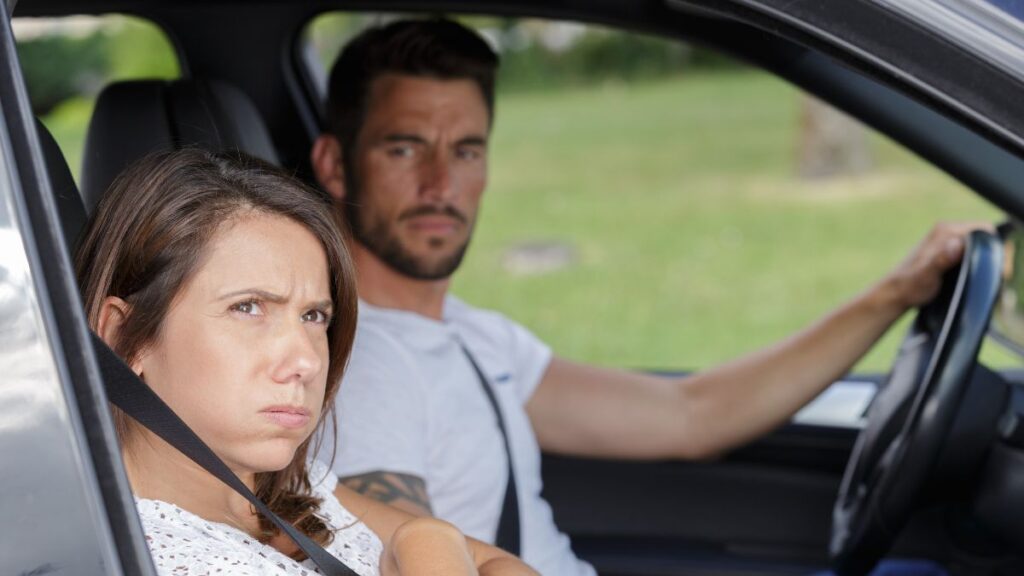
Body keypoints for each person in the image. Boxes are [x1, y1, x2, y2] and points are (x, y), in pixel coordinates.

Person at [309, 19, 984, 576]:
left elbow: (689, 414)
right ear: (335, 164)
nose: (440, 182)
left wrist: (895, 293)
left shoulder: (471, 333)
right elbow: (397, 555)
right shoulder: (367, 364)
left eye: (466, 150)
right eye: (404, 149)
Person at [75, 148, 538, 576]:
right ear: (124, 338)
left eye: (314, 316)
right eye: (248, 307)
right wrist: (431, 539)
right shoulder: (157, 557)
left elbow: (501, 563)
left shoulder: (293, 492)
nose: (307, 360)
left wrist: (424, 538)